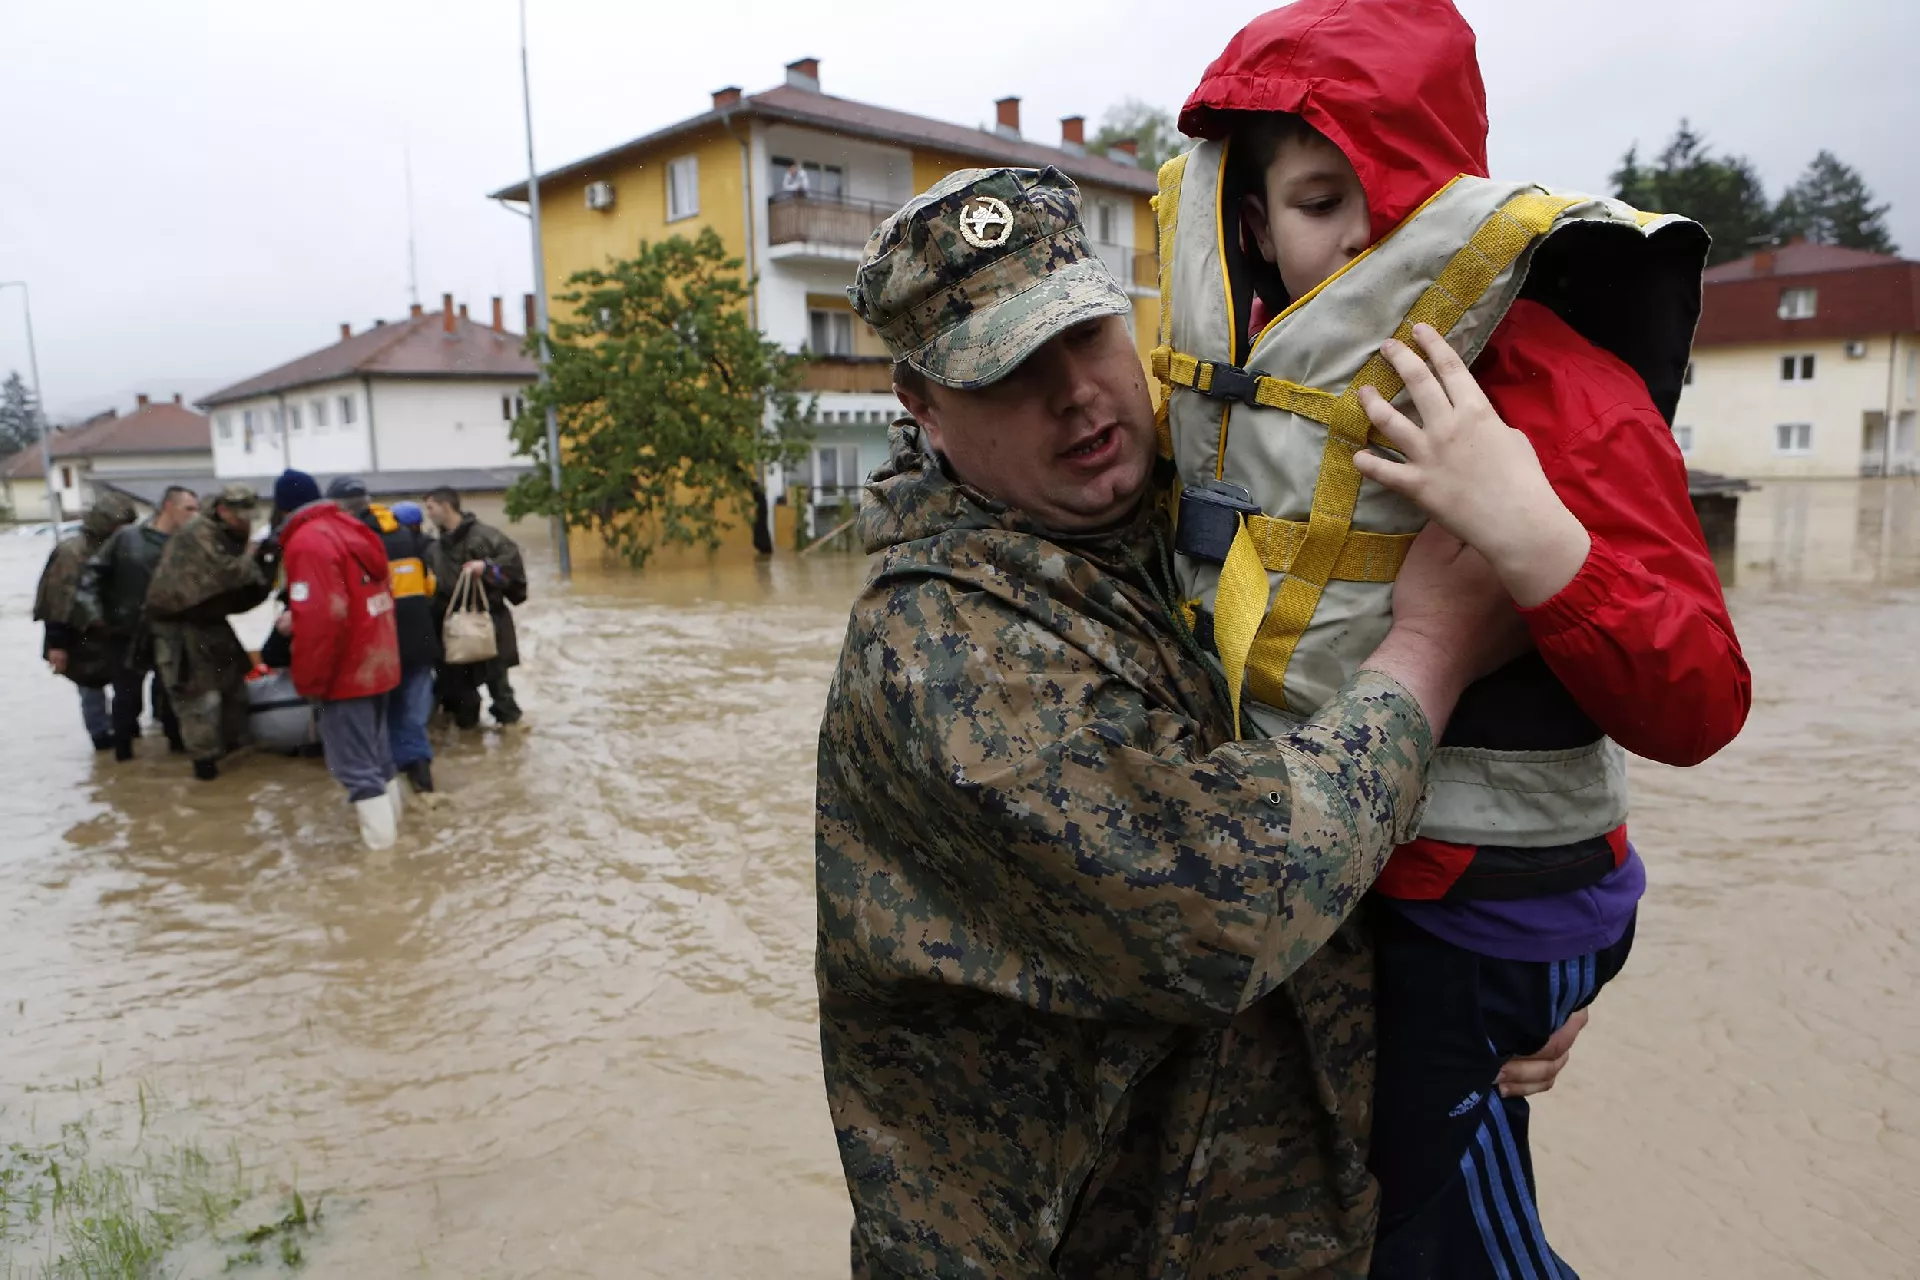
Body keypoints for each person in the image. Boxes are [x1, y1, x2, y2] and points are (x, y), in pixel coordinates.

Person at [819, 167, 1584, 1277]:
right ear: (922, 406)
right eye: (1010, 370)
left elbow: (1346, 743)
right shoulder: (937, 650)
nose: (1076, 393)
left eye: (1084, 335)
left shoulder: (1201, 506)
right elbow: (1235, 901)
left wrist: (1508, 966)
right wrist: (1433, 650)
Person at [1174, 4, 1752, 1273]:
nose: (1364, 233)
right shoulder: (1228, 390)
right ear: (1254, 224)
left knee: (1440, 1248)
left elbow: (1705, 697)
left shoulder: (1559, 390)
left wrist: (1534, 537)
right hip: (1352, 897)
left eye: (1400, 197)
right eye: (1320, 200)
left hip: (1483, 916)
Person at [274, 469, 405, 849]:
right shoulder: (353, 527)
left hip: (346, 673)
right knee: (380, 761)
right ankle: (401, 844)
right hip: (378, 661)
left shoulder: (307, 542)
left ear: (283, 508)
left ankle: (382, 860)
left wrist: (311, 682)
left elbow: (323, 619)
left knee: (357, 771)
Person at [145, 484, 278, 781]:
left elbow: (244, 591)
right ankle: (205, 771)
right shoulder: (199, 533)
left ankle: (237, 770)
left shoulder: (227, 534)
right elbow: (229, 574)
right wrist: (255, 552)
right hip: (179, 627)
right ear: (222, 510)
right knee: (199, 701)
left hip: (210, 621)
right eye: (239, 516)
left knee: (234, 694)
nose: (245, 522)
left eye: (249, 516)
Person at [330, 477, 441, 795]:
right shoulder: (406, 534)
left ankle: (391, 796)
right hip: (420, 639)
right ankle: (423, 786)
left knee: (381, 720)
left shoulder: (350, 540)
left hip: (380, 643)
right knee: (413, 718)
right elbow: (430, 586)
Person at [73, 484, 198, 759]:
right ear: (169, 507)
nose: (194, 515)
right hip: (126, 631)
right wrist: (94, 615)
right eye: (188, 509)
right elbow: (91, 577)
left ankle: (177, 753)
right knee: (127, 697)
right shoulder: (127, 538)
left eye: (196, 510)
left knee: (173, 694)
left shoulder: (189, 545)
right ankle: (123, 757)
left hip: (170, 631)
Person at [32, 492, 137, 749]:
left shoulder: (120, 547)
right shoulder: (72, 553)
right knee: (90, 686)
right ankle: (101, 739)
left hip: (113, 630)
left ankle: (125, 732)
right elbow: (57, 600)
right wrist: (57, 644)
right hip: (77, 634)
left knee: (126, 685)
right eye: (119, 526)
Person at [423, 486, 527, 729]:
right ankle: (471, 740)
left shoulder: (486, 537)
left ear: (445, 506)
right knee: (462, 700)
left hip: (488, 624)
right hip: (452, 630)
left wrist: (487, 569)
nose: (428, 514)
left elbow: (513, 571)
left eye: (430, 507)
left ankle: (510, 739)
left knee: (500, 692)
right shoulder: (434, 550)